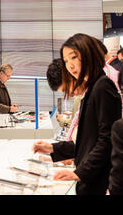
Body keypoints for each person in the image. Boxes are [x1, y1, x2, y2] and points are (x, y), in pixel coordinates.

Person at [32, 33, 122, 195]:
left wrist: (80, 173)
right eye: (66, 61)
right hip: (91, 180)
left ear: (89, 54)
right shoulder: (93, 88)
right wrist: (53, 148)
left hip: (98, 182)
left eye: (73, 57)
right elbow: (87, 142)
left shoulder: (103, 87)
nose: (70, 66)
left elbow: (106, 141)